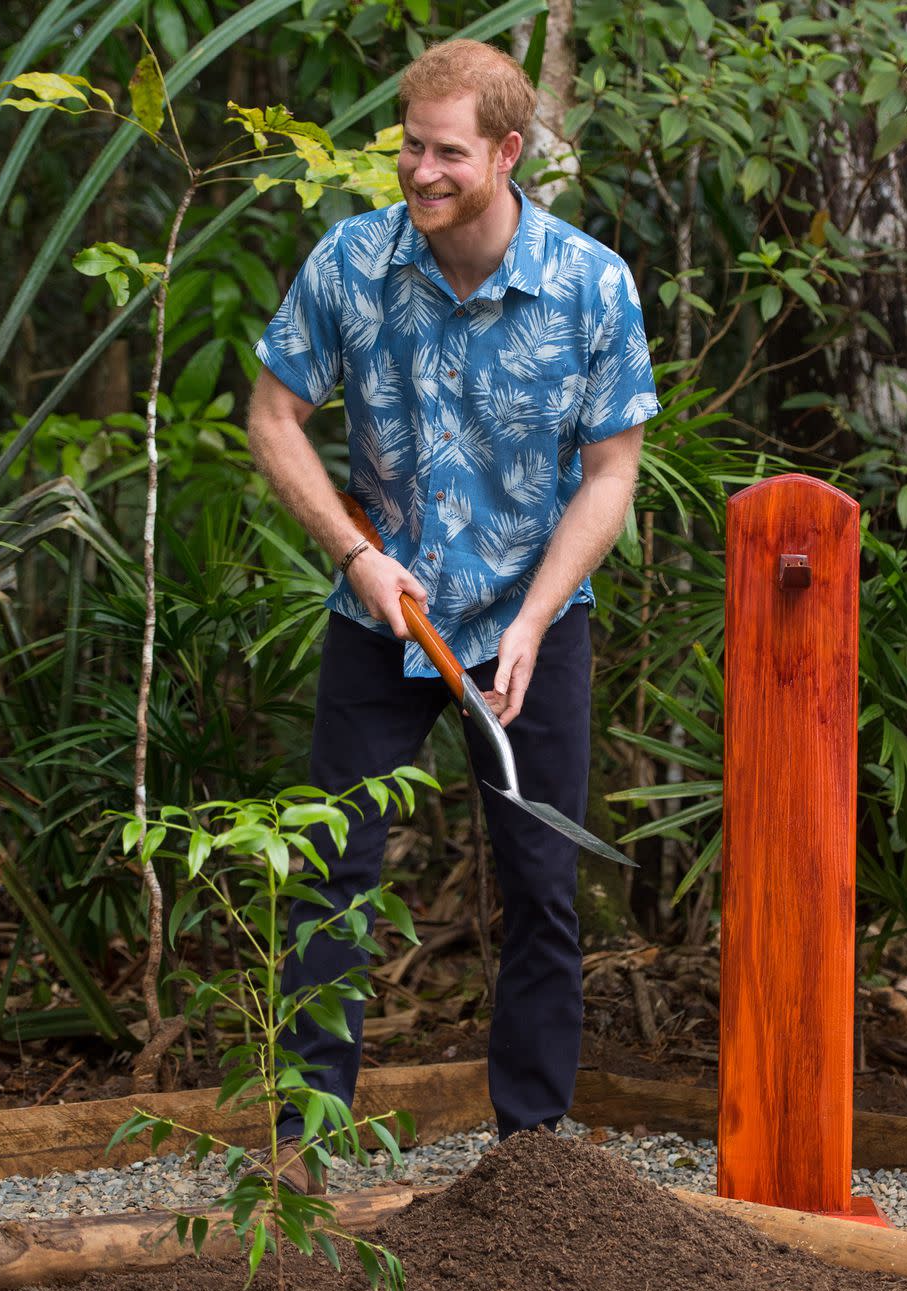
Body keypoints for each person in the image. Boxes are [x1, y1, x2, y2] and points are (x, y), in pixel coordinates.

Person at [247, 38, 660, 1194]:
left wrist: (531, 621)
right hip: (384, 616)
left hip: (533, 629)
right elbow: (274, 417)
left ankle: (532, 1165)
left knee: (537, 886)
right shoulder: (353, 262)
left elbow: (612, 473)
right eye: (408, 146)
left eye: (444, 153)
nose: (418, 172)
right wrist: (358, 555)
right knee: (332, 874)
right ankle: (304, 1148)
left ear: (508, 153)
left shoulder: (590, 284)